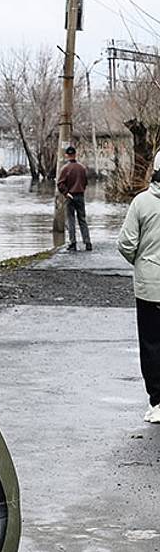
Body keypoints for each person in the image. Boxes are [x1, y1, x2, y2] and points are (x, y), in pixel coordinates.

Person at [118, 150, 160, 423]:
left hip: (150, 286)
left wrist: (142, 262)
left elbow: (126, 243)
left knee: (152, 344)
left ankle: (157, 403)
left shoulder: (142, 203)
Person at [57, 145, 92, 251]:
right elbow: (85, 182)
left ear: (67, 155)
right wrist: (81, 189)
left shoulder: (65, 168)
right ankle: (87, 242)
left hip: (70, 196)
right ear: (75, 154)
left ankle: (73, 243)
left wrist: (66, 193)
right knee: (82, 219)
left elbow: (60, 183)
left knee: (71, 220)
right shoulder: (82, 168)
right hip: (80, 195)